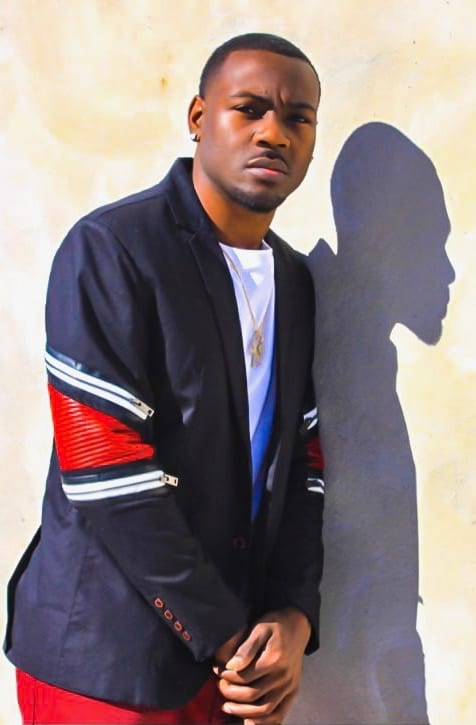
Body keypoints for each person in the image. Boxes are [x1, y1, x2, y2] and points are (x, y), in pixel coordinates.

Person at [4, 32, 324, 725]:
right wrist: (230, 639)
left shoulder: (294, 280)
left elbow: (302, 465)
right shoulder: (115, 248)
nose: (274, 132)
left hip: (233, 663)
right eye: (249, 109)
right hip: (108, 664)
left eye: (298, 118)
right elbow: (105, 468)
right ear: (199, 118)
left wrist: (293, 616)